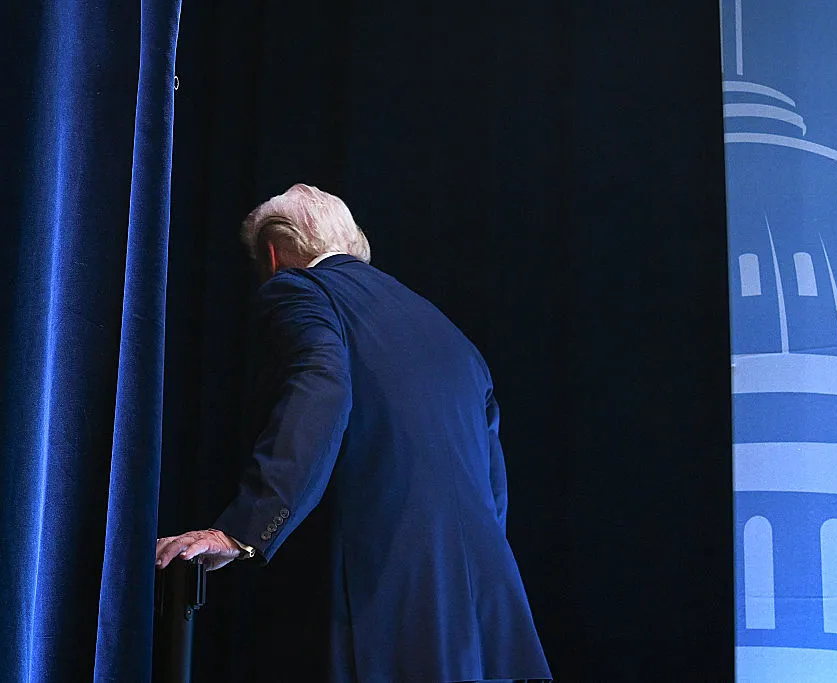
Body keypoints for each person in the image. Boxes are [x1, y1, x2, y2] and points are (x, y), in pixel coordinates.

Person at [155, 184, 551, 683]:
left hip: (385, 591)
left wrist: (244, 529)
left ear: (273, 255)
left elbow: (320, 389)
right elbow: (493, 487)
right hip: (484, 608)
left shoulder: (299, 289)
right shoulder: (453, 335)